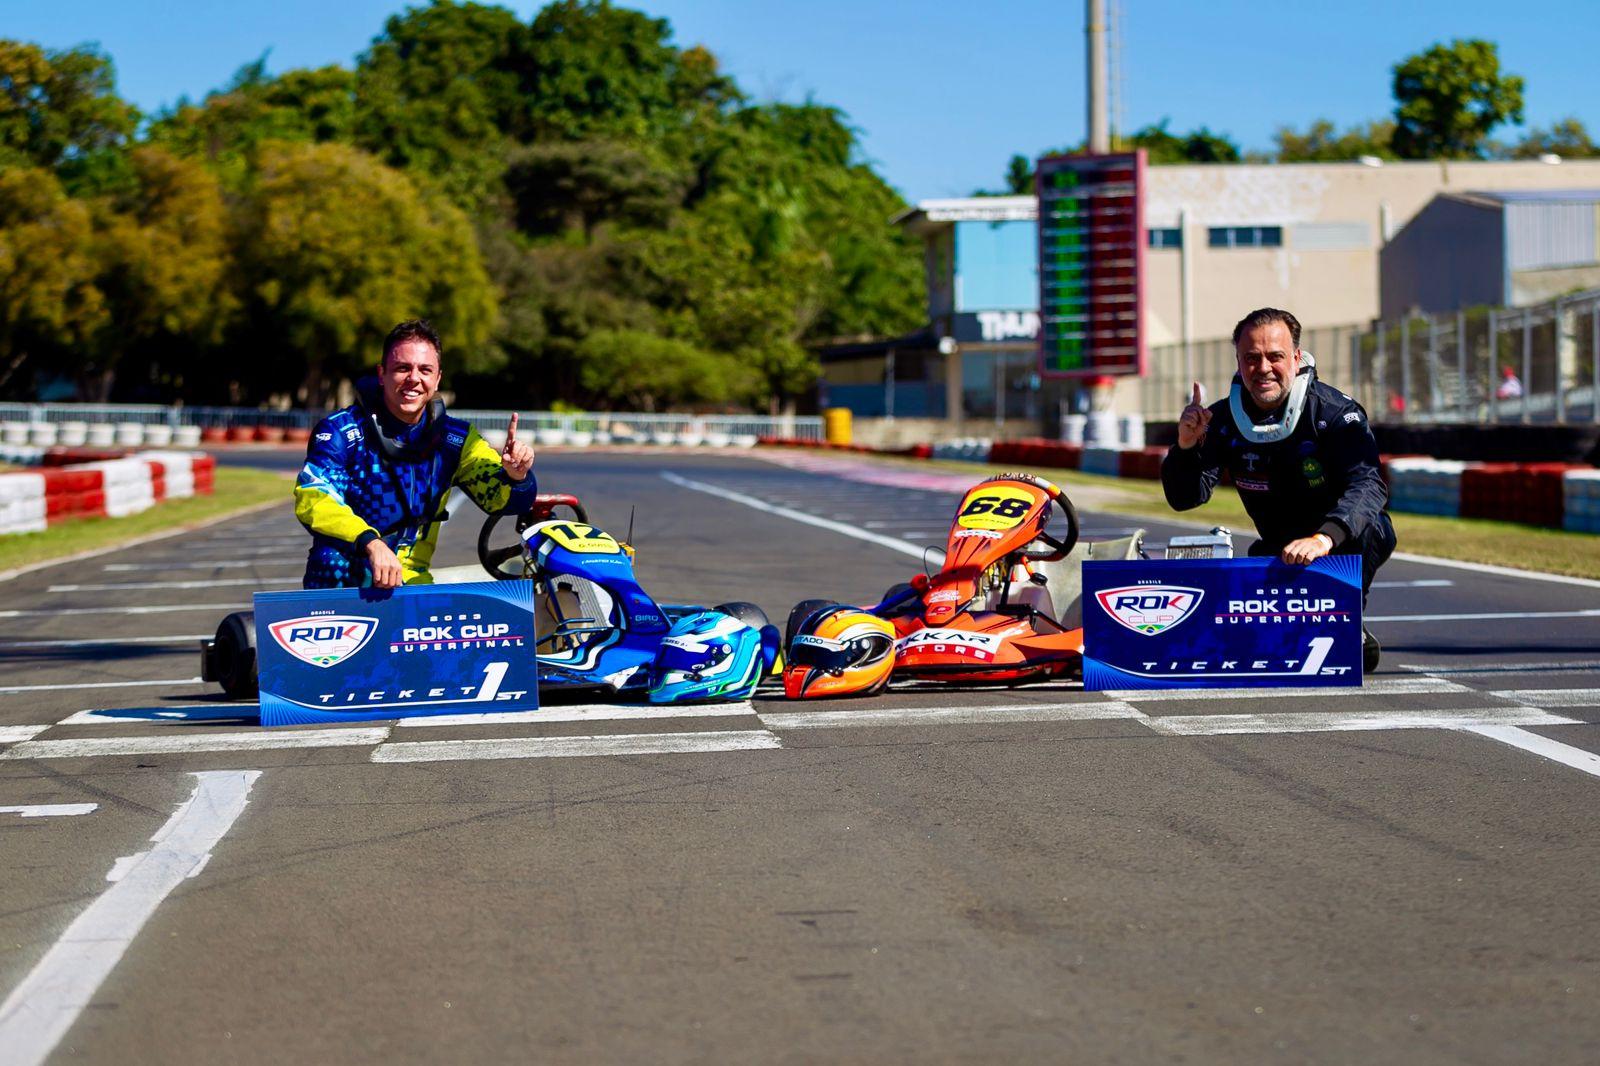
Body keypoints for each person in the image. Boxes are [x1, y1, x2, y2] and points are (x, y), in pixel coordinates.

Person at [1161, 307, 1394, 671]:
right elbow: (1185, 498)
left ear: (1296, 358)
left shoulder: (1335, 414)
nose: (1263, 368)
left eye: (1275, 356)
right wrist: (1186, 447)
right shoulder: (1220, 420)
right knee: (1259, 646)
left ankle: (1348, 617)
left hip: (1338, 541)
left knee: (1376, 528)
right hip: (1276, 548)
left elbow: (1369, 485)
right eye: (1252, 358)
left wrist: (1324, 538)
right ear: (1238, 361)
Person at [293, 319, 538, 589]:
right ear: (381, 373)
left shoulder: (458, 440)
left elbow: (503, 501)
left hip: (412, 582)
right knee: (330, 559)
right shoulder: (340, 431)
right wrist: (369, 542)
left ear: (437, 378)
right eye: (402, 368)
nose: (414, 379)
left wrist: (517, 476)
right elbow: (315, 497)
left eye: (425, 370)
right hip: (341, 583)